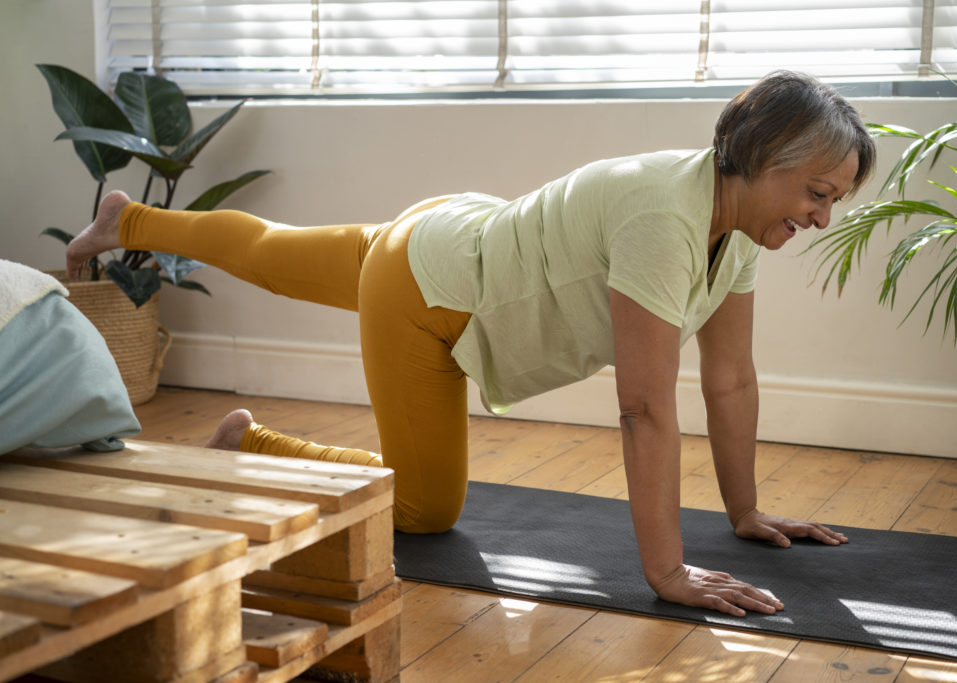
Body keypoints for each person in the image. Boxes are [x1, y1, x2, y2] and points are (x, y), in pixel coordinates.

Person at [66, 71, 875, 618]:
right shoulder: (664, 216)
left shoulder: (732, 231)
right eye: (815, 194)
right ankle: (252, 438)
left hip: (454, 235)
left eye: (832, 201)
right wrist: (666, 572)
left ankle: (126, 219)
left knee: (279, 253)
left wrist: (744, 511)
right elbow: (642, 407)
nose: (820, 219)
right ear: (762, 156)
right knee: (425, 511)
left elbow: (729, 380)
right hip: (431, 294)